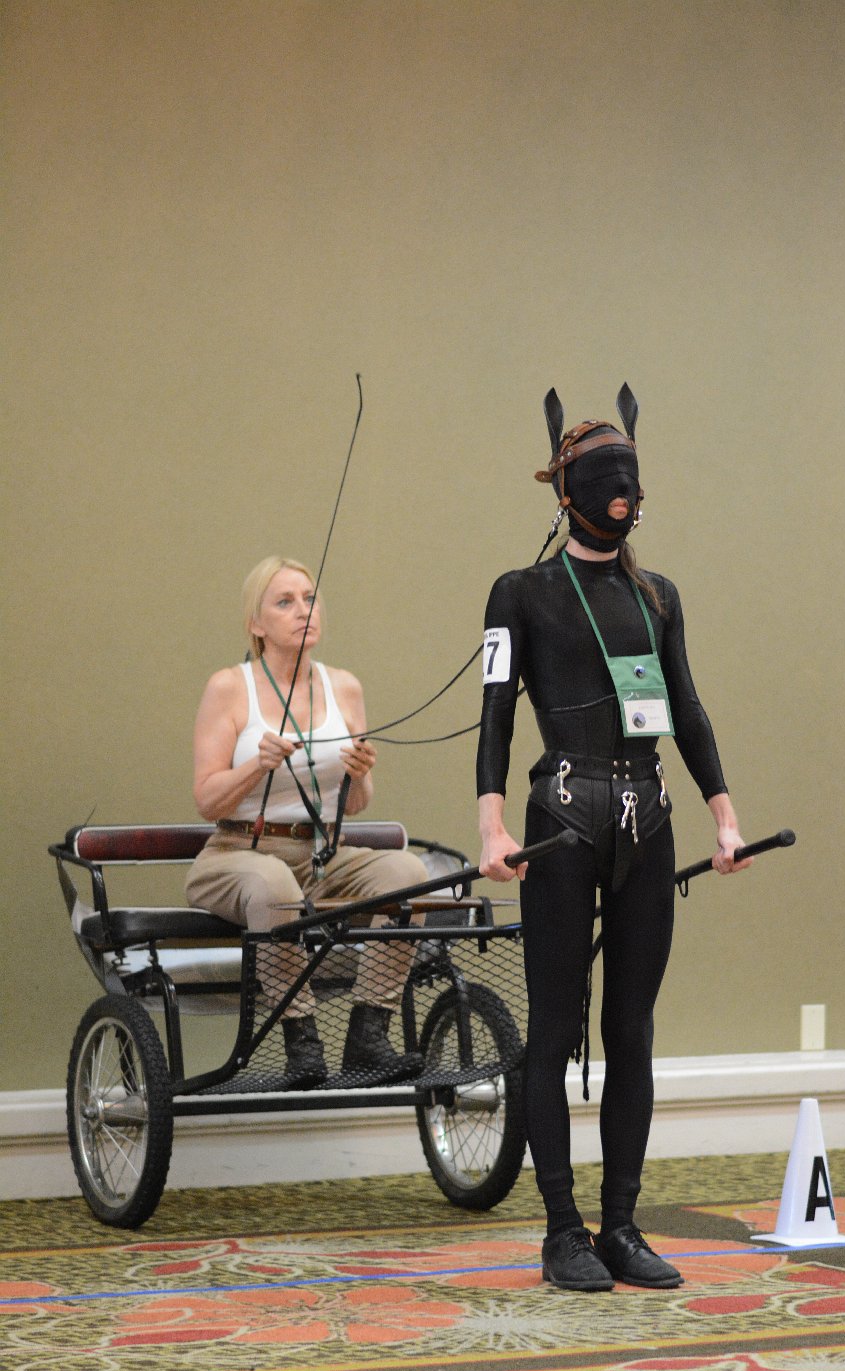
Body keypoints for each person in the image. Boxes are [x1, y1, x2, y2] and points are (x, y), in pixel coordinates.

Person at [477, 385, 750, 1292]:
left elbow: (688, 710)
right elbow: (495, 716)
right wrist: (491, 825)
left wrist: (724, 817)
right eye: (604, 480)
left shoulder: (657, 596)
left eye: (629, 479)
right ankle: (562, 1229)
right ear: (567, 493)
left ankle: (622, 1225)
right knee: (553, 1027)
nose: (620, 495)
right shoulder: (520, 594)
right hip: (559, 822)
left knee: (630, 1028)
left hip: (647, 817)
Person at [186, 556, 427, 1087]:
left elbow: (356, 803)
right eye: (285, 602)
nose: (304, 610)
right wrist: (257, 766)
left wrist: (360, 773)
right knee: (274, 884)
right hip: (239, 854)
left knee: (408, 873)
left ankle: (369, 1036)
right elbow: (207, 801)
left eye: (310, 598)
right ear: (256, 623)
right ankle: (302, 1042)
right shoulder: (230, 687)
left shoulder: (343, 687)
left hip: (320, 854)